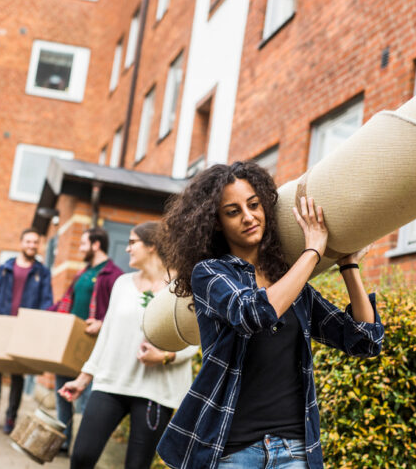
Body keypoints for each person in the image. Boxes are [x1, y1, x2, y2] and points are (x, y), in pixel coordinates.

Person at [155, 162, 384, 469]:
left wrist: (348, 265)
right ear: (217, 222)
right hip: (233, 451)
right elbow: (254, 313)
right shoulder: (210, 274)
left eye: (254, 205)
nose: (249, 217)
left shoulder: (292, 286)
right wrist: (313, 251)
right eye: (233, 211)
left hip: (295, 450)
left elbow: (364, 341)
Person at [59, 222, 198, 469]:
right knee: (81, 457)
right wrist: (82, 379)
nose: (127, 248)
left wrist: (164, 356)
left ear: (152, 245)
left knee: (137, 465)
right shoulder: (122, 283)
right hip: (111, 382)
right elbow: (107, 335)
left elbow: (194, 339)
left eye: (133, 242)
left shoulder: (182, 287)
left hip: (155, 392)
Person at [50, 227, 124, 451]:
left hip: (93, 347)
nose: (80, 248)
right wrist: (40, 315)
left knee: (86, 400)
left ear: (96, 245)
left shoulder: (114, 275)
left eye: (83, 244)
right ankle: (63, 443)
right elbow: (65, 301)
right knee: (63, 394)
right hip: (70, 343)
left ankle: (83, 448)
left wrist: (102, 322)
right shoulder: (82, 273)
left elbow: (120, 311)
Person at [0, 228, 53, 434]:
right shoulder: (5, 269)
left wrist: (43, 322)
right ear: (21, 243)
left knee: (17, 375)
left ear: (38, 245)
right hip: (2, 324)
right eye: (28, 241)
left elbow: (46, 301)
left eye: (35, 242)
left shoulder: (42, 273)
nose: (32, 245)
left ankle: (11, 416)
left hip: (24, 329)